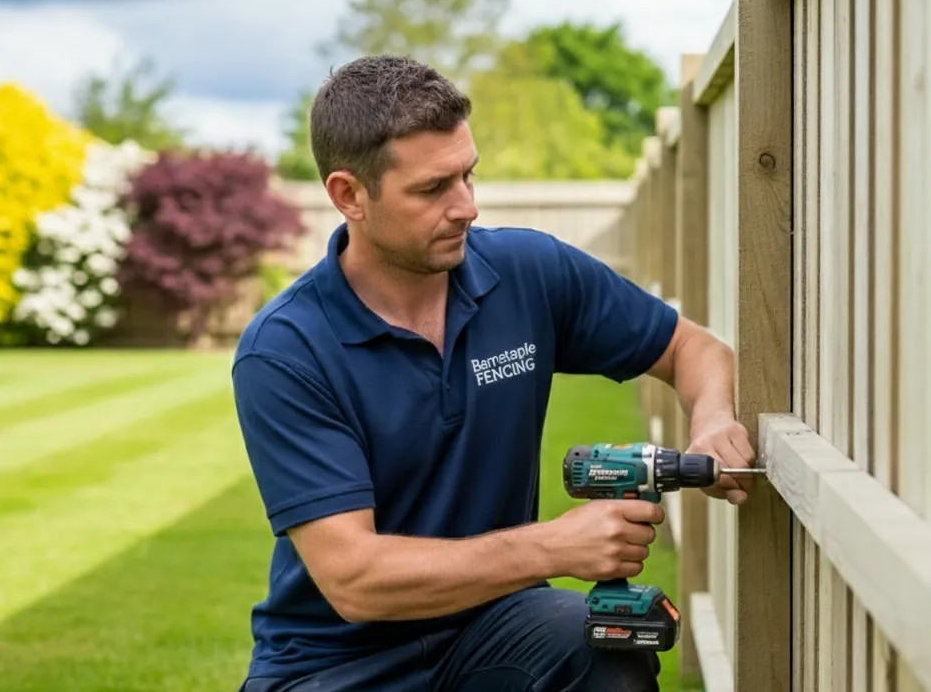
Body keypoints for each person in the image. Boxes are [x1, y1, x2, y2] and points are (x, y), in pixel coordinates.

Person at [229, 54, 756, 692]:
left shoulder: (530, 272)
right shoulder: (286, 349)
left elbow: (690, 347)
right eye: (432, 188)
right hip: (335, 665)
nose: (466, 207)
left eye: (468, 176)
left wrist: (713, 418)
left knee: (603, 641)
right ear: (348, 195)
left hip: (497, 626)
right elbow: (354, 579)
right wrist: (553, 547)